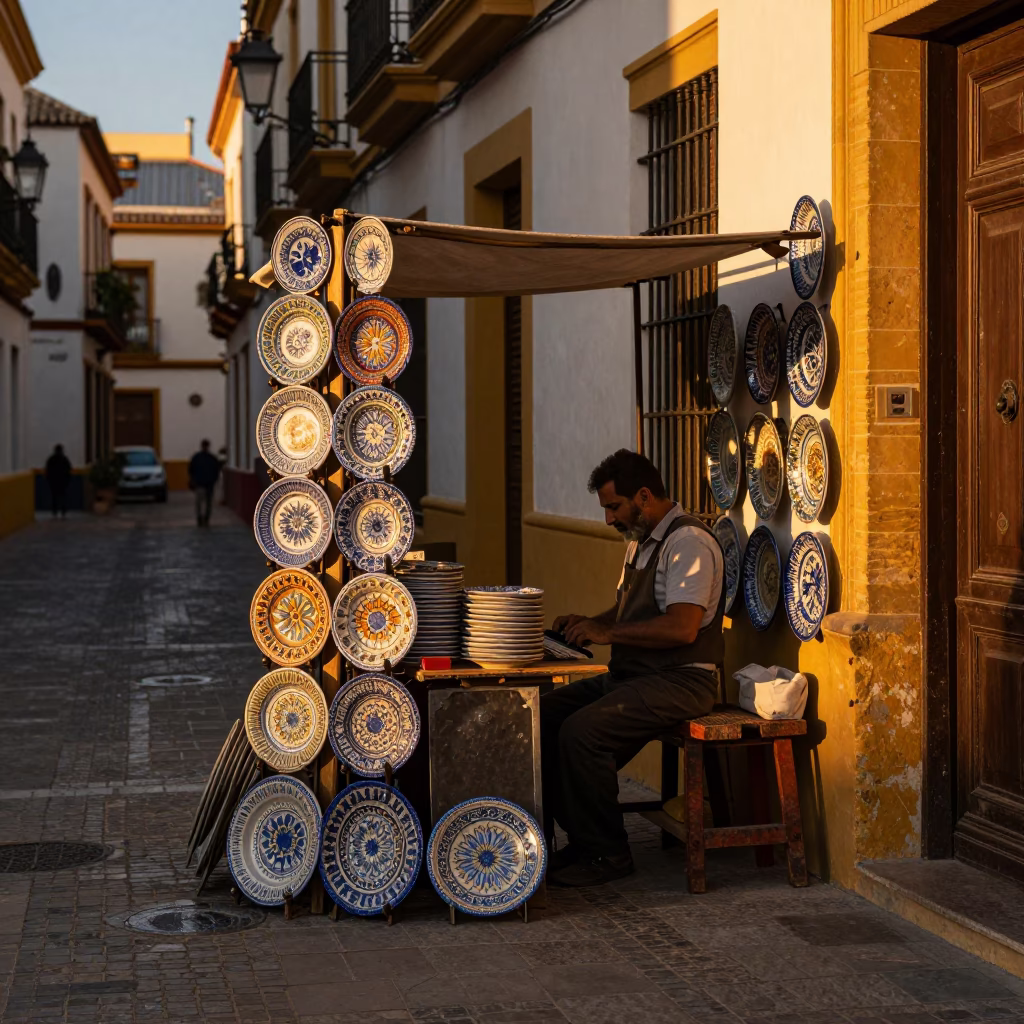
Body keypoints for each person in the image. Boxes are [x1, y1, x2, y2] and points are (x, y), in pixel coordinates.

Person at [541, 449, 725, 887]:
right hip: (637, 675)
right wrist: (591, 623)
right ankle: (582, 840)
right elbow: (627, 613)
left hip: (682, 680)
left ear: (644, 496)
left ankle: (608, 853)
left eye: (614, 507)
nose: (608, 519)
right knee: (542, 715)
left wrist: (609, 634)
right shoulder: (641, 542)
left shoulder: (689, 543)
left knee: (582, 734)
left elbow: (682, 628)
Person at [188, 440, 221, 527]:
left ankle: (204, 518)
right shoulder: (210, 458)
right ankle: (203, 518)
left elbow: (191, 470)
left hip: (205, 484)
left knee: (204, 503)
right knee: (203, 502)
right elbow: (191, 470)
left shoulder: (198, 458)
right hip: (203, 484)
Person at [44, 443, 72, 518]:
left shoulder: (51, 459)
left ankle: (55, 511)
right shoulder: (64, 459)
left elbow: (47, 471)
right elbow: (68, 470)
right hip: (62, 482)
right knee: (63, 497)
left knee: (54, 497)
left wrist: (49, 480)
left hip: (54, 482)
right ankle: (63, 511)